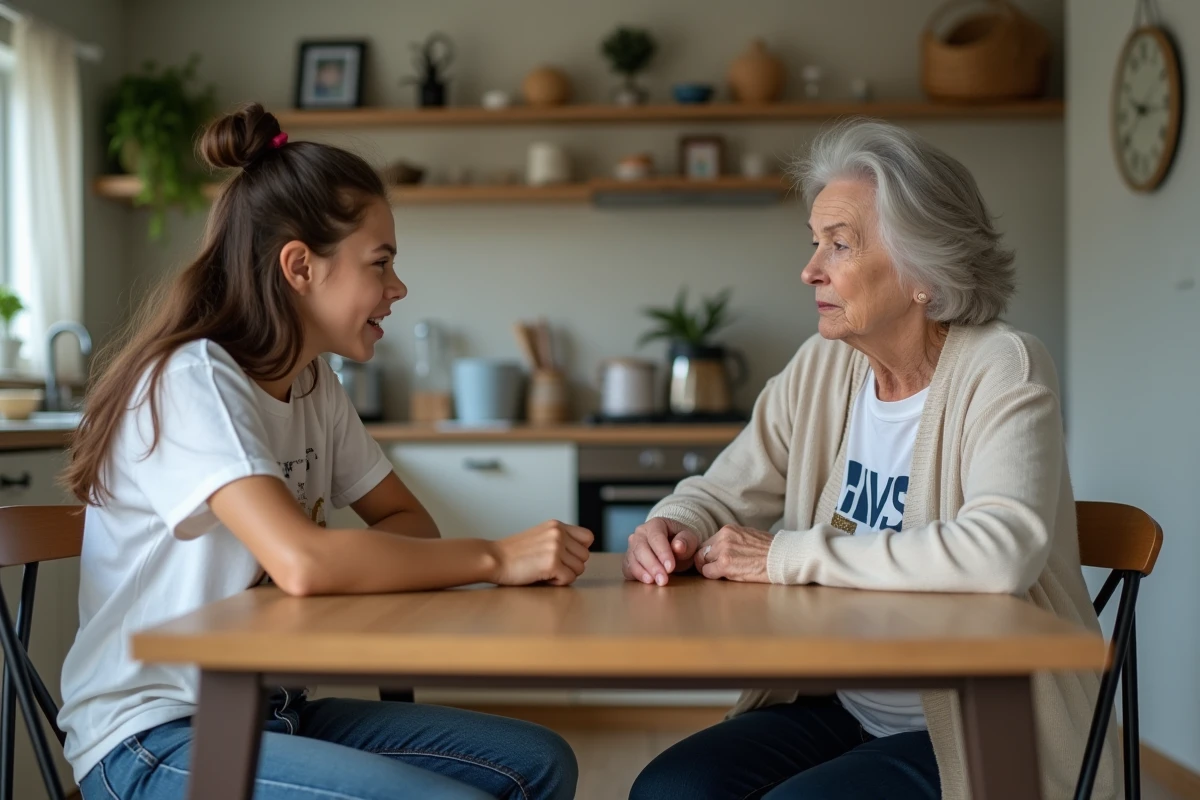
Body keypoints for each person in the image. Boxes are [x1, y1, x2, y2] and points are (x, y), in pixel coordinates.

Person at [60, 103, 588, 800]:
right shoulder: (195, 379)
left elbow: (407, 522)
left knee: (539, 761)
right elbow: (305, 563)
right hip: (153, 736)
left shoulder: (311, 384)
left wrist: (322, 563)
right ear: (300, 266)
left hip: (274, 710)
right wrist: (495, 556)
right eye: (381, 263)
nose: (398, 287)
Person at [625, 120, 1116, 800]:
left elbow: (1001, 553)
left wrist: (787, 556)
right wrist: (673, 524)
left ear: (922, 270)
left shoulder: (1002, 366)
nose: (810, 270)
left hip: (977, 728)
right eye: (814, 242)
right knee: (669, 790)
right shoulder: (821, 366)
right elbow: (722, 492)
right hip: (842, 704)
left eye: (840, 244)